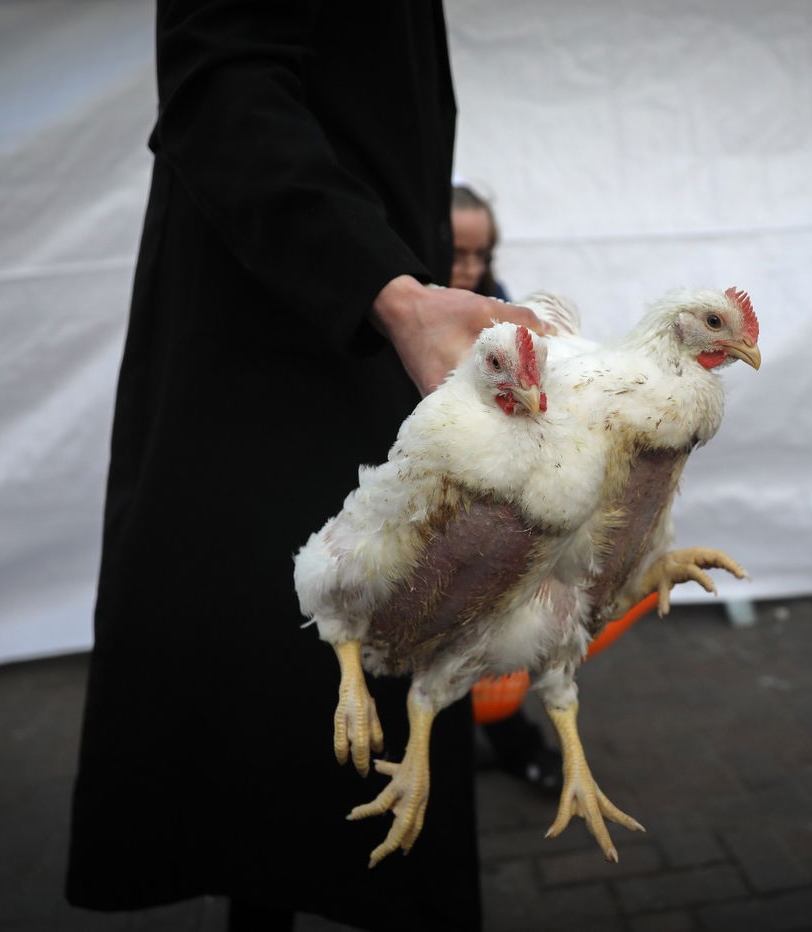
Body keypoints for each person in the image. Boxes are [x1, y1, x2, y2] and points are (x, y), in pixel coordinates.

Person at [65, 5, 547, 931]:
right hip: (280, 366)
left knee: (333, 719)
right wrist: (392, 294)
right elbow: (221, 84)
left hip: (361, 343)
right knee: (282, 703)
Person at [449, 183, 561, 795]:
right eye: (457, 252)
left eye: (480, 254)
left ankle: (516, 742)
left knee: (495, 629)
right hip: (441, 502)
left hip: (495, 500)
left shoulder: (501, 310)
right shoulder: (399, 308)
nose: (469, 267)